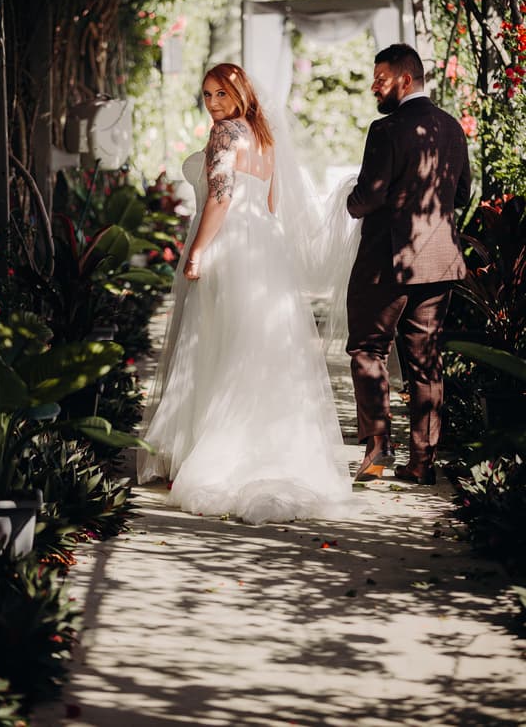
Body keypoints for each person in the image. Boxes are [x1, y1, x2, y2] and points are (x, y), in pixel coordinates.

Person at [137, 63, 358, 524]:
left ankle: (210, 451)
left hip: (230, 244)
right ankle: (269, 446)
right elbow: (273, 204)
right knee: (259, 347)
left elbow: (219, 198)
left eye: (221, 94)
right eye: (207, 95)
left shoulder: (225, 135)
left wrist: (197, 250)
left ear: (239, 94)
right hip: (266, 249)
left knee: (213, 342)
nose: (213, 104)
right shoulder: (266, 138)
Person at [346, 43, 471, 484]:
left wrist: (349, 201)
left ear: (404, 79)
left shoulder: (386, 130)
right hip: (438, 263)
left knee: (367, 348)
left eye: (380, 78)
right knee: (425, 362)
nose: (373, 87)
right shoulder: (453, 128)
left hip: (386, 261)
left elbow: (369, 198)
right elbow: (461, 196)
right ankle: (422, 463)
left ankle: (378, 448)